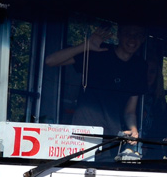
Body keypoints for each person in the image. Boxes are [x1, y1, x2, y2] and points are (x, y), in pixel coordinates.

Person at [46, 24, 148, 157]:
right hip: (84, 134)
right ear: (119, 34)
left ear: (143, 39)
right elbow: (50, 61)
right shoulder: (99, 52)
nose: (132, 39)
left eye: (138, 35)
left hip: (112, 140)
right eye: (128, 33)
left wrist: (133, 130)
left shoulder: (139, 66)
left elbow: (130, 111)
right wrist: (86, 45)